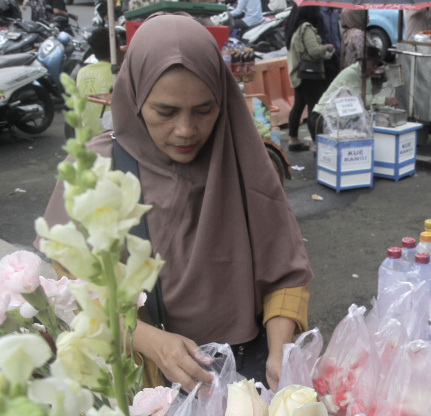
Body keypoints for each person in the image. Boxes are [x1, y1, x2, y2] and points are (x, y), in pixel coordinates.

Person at [40, 14, 313, 392]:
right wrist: (150, 341)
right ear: (135, 99)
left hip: (246, 374)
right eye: (165, 112)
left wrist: (280, 350)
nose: (186, 130)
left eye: (204, 110)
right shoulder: (94, 172)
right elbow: (73, 290)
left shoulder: (246, 163)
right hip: (144, 383)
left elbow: (285, 273)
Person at [307, 45, 398, 141]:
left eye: (377, 65)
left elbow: (368, 100)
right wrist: (385, 101)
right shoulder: (351, 74)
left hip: (339, 118)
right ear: (363, 61)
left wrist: (386, 107)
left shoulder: (366, 77)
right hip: (324, 116)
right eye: (373, 64)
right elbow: (360, 100)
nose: (375, 68)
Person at [285, 5, 333, 152]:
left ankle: (293, 139)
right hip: (309, 75)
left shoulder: (294, 27)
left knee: (298, 106)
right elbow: (314, 51)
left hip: (299, 74)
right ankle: (316, 143)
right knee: (315, 109)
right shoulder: (306, 28)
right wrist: (326, 48)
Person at [76, 27, 126, 134]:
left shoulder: (81, 73)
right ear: (115, 49)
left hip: (87, 137)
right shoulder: (120, 73)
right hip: (111, 137)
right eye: (121, 44)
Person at [316, 6, 341, 87]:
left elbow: (337, 34)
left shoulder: (334, 13)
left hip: (337, 56)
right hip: (326, 58)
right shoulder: (319, 13)